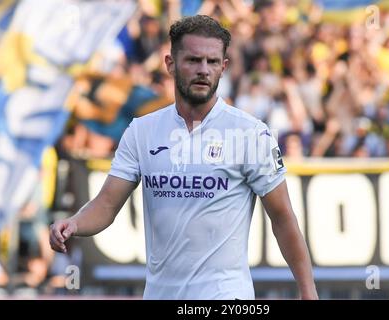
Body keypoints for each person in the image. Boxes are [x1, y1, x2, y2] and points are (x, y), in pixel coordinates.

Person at [49, 15, 318, 300]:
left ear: (223, 67)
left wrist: (307, 290)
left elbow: (282, 217)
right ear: (170, 64)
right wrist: (75, 223)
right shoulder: (142, 131)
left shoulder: (250, 133)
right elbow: (106, 204)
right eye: (193, 60)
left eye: (212, 62)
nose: (203, 70)